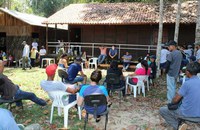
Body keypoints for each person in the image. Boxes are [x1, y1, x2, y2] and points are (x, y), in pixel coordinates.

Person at [159, 62, 200, 130]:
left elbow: (175, 100)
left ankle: (178, 127)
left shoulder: (187, 83)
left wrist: (171, 103)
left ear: (187, 72)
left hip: (186, 114)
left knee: (163, 110)